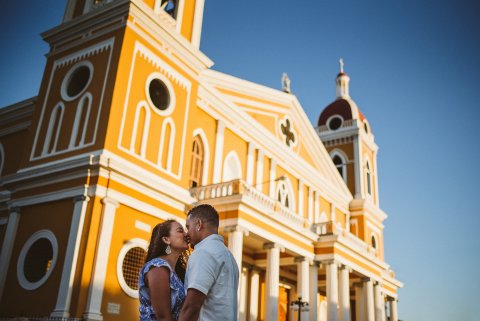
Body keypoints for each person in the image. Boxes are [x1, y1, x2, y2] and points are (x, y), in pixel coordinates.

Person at [179, 204, 239, 321]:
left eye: (188, 227)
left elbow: (191, 306)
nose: (186, 233)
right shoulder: (228, 256)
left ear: (199, 225)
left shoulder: (203, 253)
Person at [139, 220, 189, 321]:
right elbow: (163, 317)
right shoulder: (158, 267)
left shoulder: (175, 272)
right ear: (166, 239)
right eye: (180, 231)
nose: (186, 234)